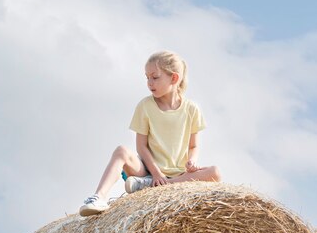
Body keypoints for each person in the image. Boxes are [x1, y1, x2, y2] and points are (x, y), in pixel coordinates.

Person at [79, 50, 221, 216]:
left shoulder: (191, 109)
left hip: (180, 174)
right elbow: (141, 147)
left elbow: (194, 145)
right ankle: (99, 197)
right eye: (147, 78)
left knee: (215, 172)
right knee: (121, 151)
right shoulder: (145, 106)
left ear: (174, 78)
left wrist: (192, 162)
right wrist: (156, 173)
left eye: (155, 77)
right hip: (147, 171)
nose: (149, 83)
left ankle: (164, 185)